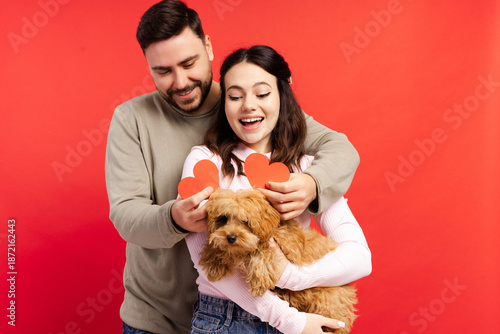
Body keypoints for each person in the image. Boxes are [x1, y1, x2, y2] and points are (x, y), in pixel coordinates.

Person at [105, 1, 360, 333]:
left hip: (253, 307)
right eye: (163, 71)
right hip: (159, 315)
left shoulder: (245, 104)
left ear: (208, 46)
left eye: (188, 63)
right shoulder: (132, 120)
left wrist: (313, 184)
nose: (180, 81)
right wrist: (173, 219)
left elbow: (340, 148)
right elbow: (125, 214)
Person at [182, 45, 371, 334]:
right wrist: (291, 321)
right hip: (226, 318)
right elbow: (207, 262)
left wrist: (291, 277)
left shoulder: (307, 168)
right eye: (235, 96)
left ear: (282, 95)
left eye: (262, 93)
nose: (248, 105)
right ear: (224, 103)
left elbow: (360, 259)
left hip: (304, 309)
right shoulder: (205, 162)